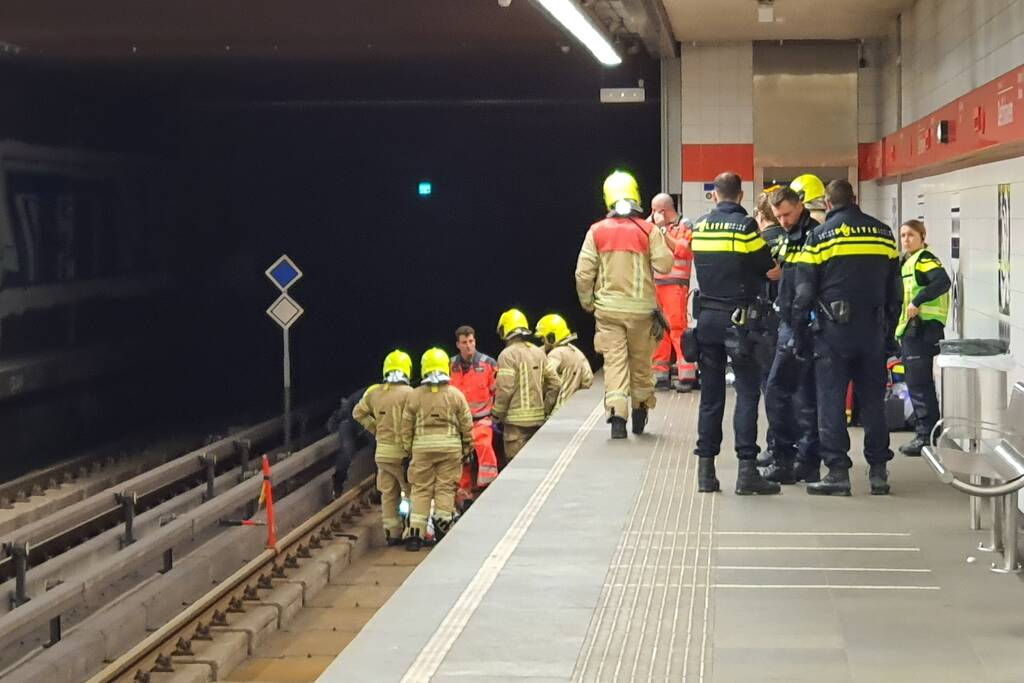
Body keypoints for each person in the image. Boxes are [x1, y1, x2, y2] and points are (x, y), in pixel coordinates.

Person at [792, 180, 901, 496]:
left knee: (831, 401)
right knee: (873, 402)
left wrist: (798, 333)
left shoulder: (819, 236)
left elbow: (804, 292)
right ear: (855, 199)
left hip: (833, 333)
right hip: (872, 332)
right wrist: (888, 332)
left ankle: (838, 473)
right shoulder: (883, 234)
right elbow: (896, 291)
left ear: (828, 204)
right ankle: (878, 472)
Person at [690, 172, 780, 495]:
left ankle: (706, 473)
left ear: (714, 195)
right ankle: (746, 473)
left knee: (710, 397)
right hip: (741, 323)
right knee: (747, 393)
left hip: (707, 321)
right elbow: (769, 268)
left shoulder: (699, 227)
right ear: (740, 196)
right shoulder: (745, 227)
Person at [575, 170, 674, 438]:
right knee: (641, 363)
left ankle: (617, 418)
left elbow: (583, 274)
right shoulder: (648, 230)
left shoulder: (596, 231)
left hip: (608, 312)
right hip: (642, 312)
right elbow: (665, 264)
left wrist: (588, 303)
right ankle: (640, 411)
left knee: (615, 363)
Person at [760, 186, 822, 484]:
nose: (783, 221)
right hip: (788, 319)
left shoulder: (813, 235)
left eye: (786, 214)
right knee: (800, 394)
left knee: (783, 391)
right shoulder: (790, 235)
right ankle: (801, 459)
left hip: (802, 323)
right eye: (778, 216)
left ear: (799, 206)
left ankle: (788, 457)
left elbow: (810, 281)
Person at [400, 347, 474, 551]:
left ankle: (415, 534)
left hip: (422, 449)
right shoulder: (455, 395)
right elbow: (466, 423)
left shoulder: (415, 396)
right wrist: (468, 446)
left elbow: (406, 426)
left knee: (420, 489)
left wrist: (408, 449)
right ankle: (442, 527)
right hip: (450, 449)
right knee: (445, 488)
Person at [894, 219, 951, 456]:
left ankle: (926, 436)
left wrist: (917, 301)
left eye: (911, 235)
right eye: (903, 235)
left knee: (919, 384)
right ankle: (927, 433)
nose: (906, 240)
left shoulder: (924, 259)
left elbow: (942, 281)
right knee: (918, 383)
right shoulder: (909, 261)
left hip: (923, 330)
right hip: (913, 330)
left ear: (922, 237)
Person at [352, 350, 415, 546]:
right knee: (412, 492)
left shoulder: (374, 393)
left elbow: (357, 413)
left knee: (388, 494)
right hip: (403, 455)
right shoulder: (410, 394)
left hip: (382, 454)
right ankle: (411, 531)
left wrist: (375, 429)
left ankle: (392, 533)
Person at [493, 309, 560, 458]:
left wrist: (496, 415)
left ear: (505, 329)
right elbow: (555, 384)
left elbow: (505, 389)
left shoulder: (507, 355)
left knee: (515, 466)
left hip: (515, 426)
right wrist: (545, 408)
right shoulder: (538, 352)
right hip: (537, 422)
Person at [649, 193, 698, 392]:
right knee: (658, 329)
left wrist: (662, 229)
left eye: (655, 210)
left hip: (675, 285)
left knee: (677, 328)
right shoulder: (651, 226)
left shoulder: (685, 225)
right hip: (655, 285)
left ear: (663, 210)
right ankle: (660, 374)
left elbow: (682, 251)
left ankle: (687, 374)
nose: (652, 214)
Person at [449, 325, 499, 508]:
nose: (468, 346)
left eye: (471, 341)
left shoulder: (489, 364)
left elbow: (498, 391)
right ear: (458, 345)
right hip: (458, 423)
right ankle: (464, 496)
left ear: (475, 341)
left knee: (484, 446)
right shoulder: (449, 366)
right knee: (460, 457)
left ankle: (490, 488)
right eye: (464, 342)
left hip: (482, 419)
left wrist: (496, 415)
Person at [753, 189, 785, 467]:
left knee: (771, 387)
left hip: (765, 323)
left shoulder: (759, 243)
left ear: (760, 216)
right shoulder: (793, 239)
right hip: (791, 321)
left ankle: (776, 447)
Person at [535, 313, 594, 410]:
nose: (542, 341)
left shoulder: (556, 354)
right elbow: (588, 380)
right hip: (576, 407)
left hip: (559, 409)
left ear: (551, 337)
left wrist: (545, 408)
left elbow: (549, 381)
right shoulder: (576, 352)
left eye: (543, 337)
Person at [326, 386, 375, 497]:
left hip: (368, 423)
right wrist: (335, 421)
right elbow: (348, 405)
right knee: (347, 449)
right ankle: (338, 482)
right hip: (350, 420)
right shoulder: (369, 394)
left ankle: (380, 488)